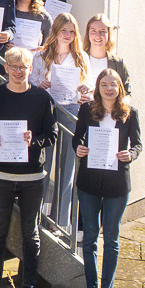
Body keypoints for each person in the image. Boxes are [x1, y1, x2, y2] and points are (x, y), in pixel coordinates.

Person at [0, 46, 54, 288]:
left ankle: (29, 287)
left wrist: (36, 140)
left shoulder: (42, 98)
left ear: (31, 70)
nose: (19, 71)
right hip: (1, 175)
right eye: (14, 67)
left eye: (24, 67)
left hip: (32, 175)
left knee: (30, 234)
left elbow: (51, 134)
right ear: (6, 69)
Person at [76, 68, 141, 288]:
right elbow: (77, 138)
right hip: (90, 181)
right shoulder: (87, 110)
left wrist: (130, 154)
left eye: (113, 84)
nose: (109, 88)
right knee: (90, 237)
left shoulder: (129, 113)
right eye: (104, 84)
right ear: (98, 87)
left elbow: (138, 144)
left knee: (111, 239)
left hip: (117, 184)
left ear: (119, 87)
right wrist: (79, 148)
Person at [38, 12, 92, 240]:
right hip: (47, 112)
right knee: (44, 165)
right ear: (56, 31)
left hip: (71, 112)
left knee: (67, 169)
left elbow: (87, 87)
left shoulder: (81, 58)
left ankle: (60, 223)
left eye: (72, 31)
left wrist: (84, 92)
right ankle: (39, 218)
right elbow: (32, 82)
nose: (68, 35)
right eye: (64, 30)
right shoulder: (42, 56)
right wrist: (39, 83)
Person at [85, 15, 128, 90]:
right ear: (88, 33)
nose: (98, 35)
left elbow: (126, 92)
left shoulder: (118, 63)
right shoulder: (78, 59)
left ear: (109, 34)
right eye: (94, 31)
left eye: (102, 31)